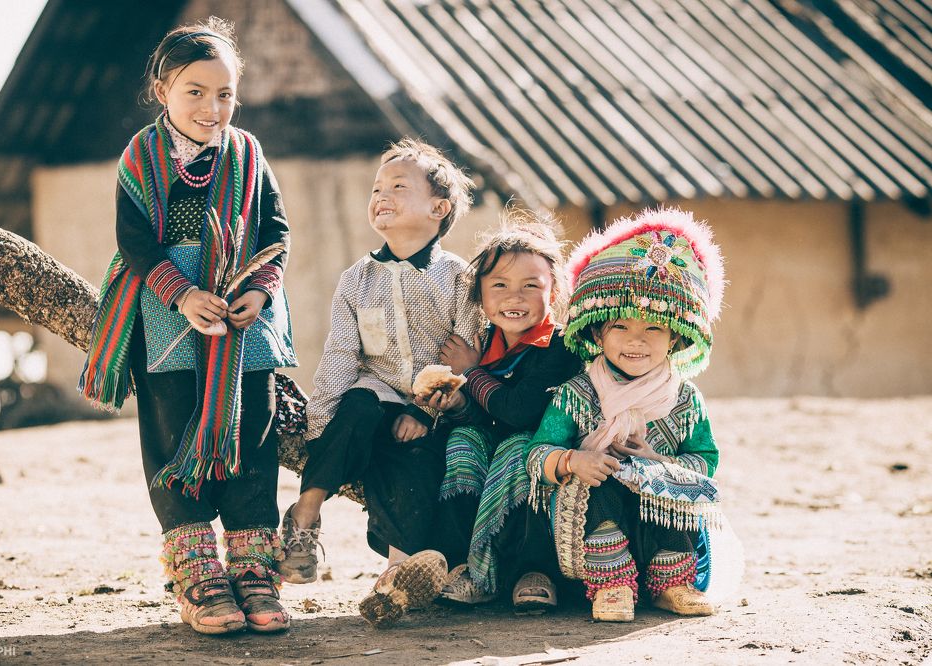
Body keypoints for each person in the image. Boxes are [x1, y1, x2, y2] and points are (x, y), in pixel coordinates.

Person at [79, 18, 297, 635]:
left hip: (242, 319)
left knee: (252, 433)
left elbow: (275, 233)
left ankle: (254, 572)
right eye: (195, 91)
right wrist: (183, 295)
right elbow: (135, 243)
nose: (212, 107)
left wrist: (258, 289)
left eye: (225, 93)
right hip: (165, 313)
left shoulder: (248, 154)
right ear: (162, 90)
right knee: (172, 432)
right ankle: (200, 575)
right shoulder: (141, 157)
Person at [277, 138, 481, 627]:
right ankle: (305, 514)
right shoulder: (356, 280)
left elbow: (466, 354)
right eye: (376, 188)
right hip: (375, 395)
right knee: (358, 405)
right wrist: (319, 428)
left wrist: (424, 411)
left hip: (436, 409)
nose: (381, 196)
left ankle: (396, 575)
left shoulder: (459, 278)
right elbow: (341, 356)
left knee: (408, 462)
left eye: (398, 187)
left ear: (438, 208)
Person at [524, 207, 728, 622]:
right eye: (620, 327)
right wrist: (574, 461)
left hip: (661, 525)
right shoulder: (576, 394)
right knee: (602, 479)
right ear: (597, 333)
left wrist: (658, 463)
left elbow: (706, 460)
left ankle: (672, 583)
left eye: (653, 329)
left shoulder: (685, 399)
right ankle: (611, 585)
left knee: (670, 482)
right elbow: (537, 452)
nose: (636, 341)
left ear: (675, 339)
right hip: (595, 526)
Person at [415, 214, 581, 613]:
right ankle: (465, 567)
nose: (514, 297)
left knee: (518, 448)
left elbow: (519, 413)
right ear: (479, 294)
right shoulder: (482, 342)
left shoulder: (560, 346)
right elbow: (484, 418)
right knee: (462, 440)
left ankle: (533, 571)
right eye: (499, 285)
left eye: (531, 286)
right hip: (494, 448)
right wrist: (458, 406)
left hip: (543, 454)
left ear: (554, 290)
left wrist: (471, 372)